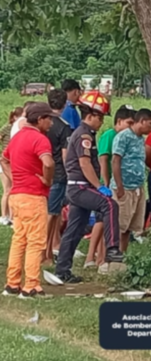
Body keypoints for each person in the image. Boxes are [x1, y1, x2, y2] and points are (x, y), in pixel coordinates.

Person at [55, 91, 123, 284]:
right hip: (80, 187)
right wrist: (99, 186)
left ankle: (62, 270)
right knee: (110, 205)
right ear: (90, 115)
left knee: (74, 230)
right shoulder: (84, 134)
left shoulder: (85, 133)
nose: (101, 122)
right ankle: (112, 249)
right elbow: (85, 164)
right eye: (100, 118)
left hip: (77, 187)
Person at [1, 103, 55, 297]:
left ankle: (12, 284)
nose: (51, 122)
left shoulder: (17, 138)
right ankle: (31, 285)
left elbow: (4, 158)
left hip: (16, 195)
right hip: (33, 195)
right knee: (36, 241)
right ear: (39, 120)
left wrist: (14, 177)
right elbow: (48, 163)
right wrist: (47, 180)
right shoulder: (40, 139)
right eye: (48, 118)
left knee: (19, 240)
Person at [85, 105, 136, 268]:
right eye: (129, 123)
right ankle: (95, 257)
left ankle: (108, 257)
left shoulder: (128, 137)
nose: (131, 127)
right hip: (107, 184)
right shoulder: (110, 135)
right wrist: (104, 183)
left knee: (112, 222)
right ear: (119, 121)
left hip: (119, 182)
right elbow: (103, 160)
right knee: (102, 222)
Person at [111, 108, 151, 252]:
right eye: (150, 124)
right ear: (141, 121)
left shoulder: (140, 139)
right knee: (120, 224)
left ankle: (123, 253)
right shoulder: (123, 136)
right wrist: (119, 187)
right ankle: (113, 252)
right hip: (124, 187)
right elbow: (116, 161)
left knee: (131, 225)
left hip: (137, 187)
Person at [45, 89, 72, 262]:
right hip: (59, 173)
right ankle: (43, 250)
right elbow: (65, 155)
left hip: (42, 172)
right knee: (52, 214)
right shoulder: (63, 126)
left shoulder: (41, 123)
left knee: (52, 212)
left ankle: (47, 251)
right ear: (65, 104)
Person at [0, 107, 23, 226]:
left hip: (14, 160)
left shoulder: (20, 129)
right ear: (14, 117)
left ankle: (12, 215)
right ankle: (4, 216)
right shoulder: (6, 128)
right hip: (5, 161)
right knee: (7, 189)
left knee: (14, 189)